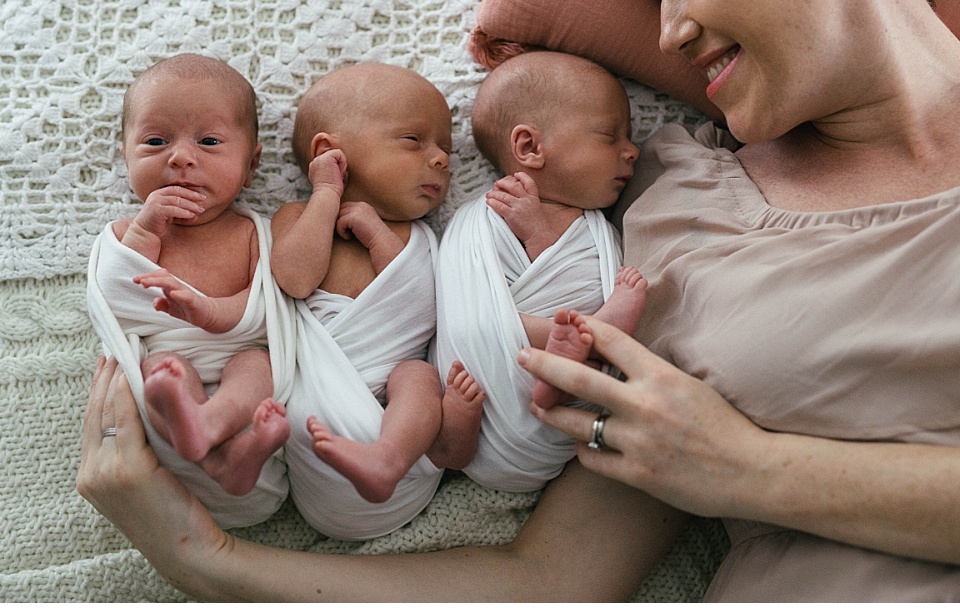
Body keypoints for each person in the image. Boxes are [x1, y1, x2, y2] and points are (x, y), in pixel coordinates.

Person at [77, 0, 960, 600]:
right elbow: (545, 577)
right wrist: (203, 556)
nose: (667, 31)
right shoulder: (678, 218)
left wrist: (754, 471)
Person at [269, 62, 484, 537]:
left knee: (418, 375)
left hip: (398, 415)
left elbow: (420, 305)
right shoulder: (297, 216)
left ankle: (414, 451)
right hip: (321, 398)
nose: (441, 160)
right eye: (414, 140)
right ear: (330, 152)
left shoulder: (420, 236)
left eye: (445, 148)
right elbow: (295, 281)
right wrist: (327, 194)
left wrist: (373, 233)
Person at [433, 51, 647, 492]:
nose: (632, 150)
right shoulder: (490, 214)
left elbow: (581, 278)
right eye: (611, 135)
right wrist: (537, 233)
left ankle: (567, 363)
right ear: (529, 148)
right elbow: (472, 303)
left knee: (591, 328)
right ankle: (574, 345)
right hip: (492, 388)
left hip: (564, 410)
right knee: (481, 326)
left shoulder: (597, 226)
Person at [85, 53, 291, 508]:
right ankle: (210, 445)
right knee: (158, 375)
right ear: (125, 155)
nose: (180, 157)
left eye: (210, 141)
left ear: (252, 164)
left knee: (258, 367)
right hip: (169, 359)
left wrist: (211, 312)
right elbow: (118, 298)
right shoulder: (126, 233)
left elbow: (267, 307)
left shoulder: (251, 232)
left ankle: (214, 425)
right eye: (156, 141)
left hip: (236, 352)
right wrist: (147, 229)